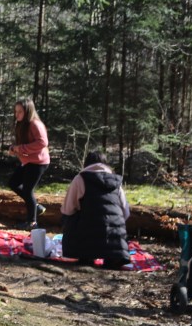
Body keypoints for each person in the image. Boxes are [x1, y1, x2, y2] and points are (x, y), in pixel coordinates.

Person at [60, 151, 130, 268]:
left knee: (68, 217)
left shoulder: (80, 179)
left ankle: (85, 255)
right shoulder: (116, 182)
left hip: (87, 234)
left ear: (86, 164)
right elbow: (126, 212)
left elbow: (68, 209)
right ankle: (113, 256)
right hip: (114, 239)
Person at [7, 99, 50, 230]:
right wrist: (15, 149)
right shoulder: (22, 124)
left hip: (38, 162)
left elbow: (43, 143)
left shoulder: (35, 124)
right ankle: (36, 207)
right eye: (16, 111)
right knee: (13, 183)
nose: (17, 114)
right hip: (28, 161)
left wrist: (20, 149)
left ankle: (32, 222)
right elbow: (24, 146)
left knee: (27, 190)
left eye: (20, 112)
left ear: (28, 111)